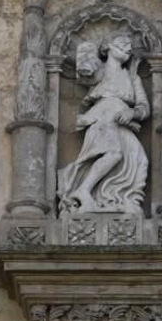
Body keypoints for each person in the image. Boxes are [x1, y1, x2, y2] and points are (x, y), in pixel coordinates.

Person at [59, 34, 150, 215]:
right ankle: (83, 190)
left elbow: (144, 107)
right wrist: (87, 49)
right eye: (122, 42)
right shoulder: (99, 71)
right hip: (102, 118)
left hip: (122, 123)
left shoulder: (133, 78)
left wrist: (132, 112)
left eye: (129, 46)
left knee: (140, 159)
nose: (128, 46)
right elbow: (83, 67)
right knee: (114, 154)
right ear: (108, 47)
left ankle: (116, 198)